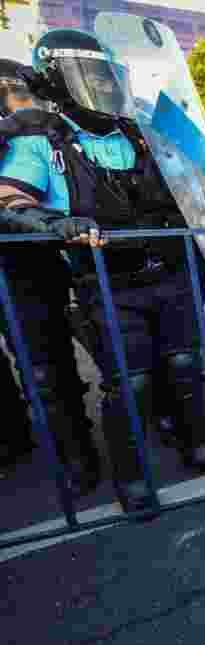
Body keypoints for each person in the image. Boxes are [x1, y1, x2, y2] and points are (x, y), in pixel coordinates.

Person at [1, 29, 205, 512]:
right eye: (90, 76)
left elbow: (195, 180)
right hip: (107, 282)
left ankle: (199, 446)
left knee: (186, 367)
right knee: (130, 381)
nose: (102, 86)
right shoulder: (44, 140)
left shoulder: (139, 133)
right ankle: (133, 478)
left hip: (170, 271)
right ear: (57, 81)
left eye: (105, 74)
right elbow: (10, 201)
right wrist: (55, 222)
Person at [0, 58, 47, 470]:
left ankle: (75, 454)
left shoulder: (30, 130)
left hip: (27, 263)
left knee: (44, 363)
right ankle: (12, 438)